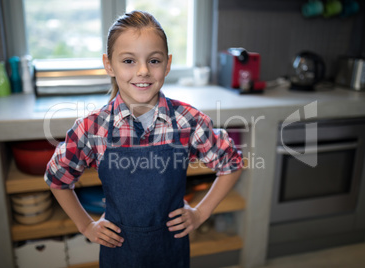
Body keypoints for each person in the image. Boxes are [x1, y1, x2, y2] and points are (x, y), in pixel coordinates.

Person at [45, 10, 243, 268]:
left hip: (171, 249)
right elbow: (57, 177)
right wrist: (86, 226)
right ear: (109, 64)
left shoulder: (188, 121)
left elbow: (232, 163)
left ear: (168, 64)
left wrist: (200, 213)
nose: (142, 71)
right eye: (128, 61)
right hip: (119, 252)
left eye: (154, 60)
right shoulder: (93, 128)